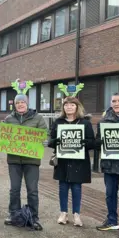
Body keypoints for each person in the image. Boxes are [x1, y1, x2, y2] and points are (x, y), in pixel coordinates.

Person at [48, 96, 94, 228]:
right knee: (63, 187)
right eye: (66, 105)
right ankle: (63, 213)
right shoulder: (58, 122)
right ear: (63, 107)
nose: (69, 107)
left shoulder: (85, 123)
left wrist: (86, 143)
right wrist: (54, 142)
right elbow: (51, 140)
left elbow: (92, 142)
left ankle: (76, 215)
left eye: (72, 105)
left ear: (77, 107)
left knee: (76, 187)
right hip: (63, 160)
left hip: (78, 161)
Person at [3, 94, 48, 230]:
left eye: (23, 102)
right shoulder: (9, 119)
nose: (20, 105)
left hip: (32, 160)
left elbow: (45, 133)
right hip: (14, 160)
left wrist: (45, 140)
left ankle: (34, 217)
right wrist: (1, 140)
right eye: (18, 103)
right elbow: (4, 134)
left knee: (32, 190)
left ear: (27, 103)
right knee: (14, 190)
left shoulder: (38, 118)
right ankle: (14, 214)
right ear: (14, 105)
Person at [96, 92, 119, 236]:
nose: (117, 103)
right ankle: (112, 221)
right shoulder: (104, 120)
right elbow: (98, 140)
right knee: (110, 194)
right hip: (110, 163)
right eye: (114, 101)